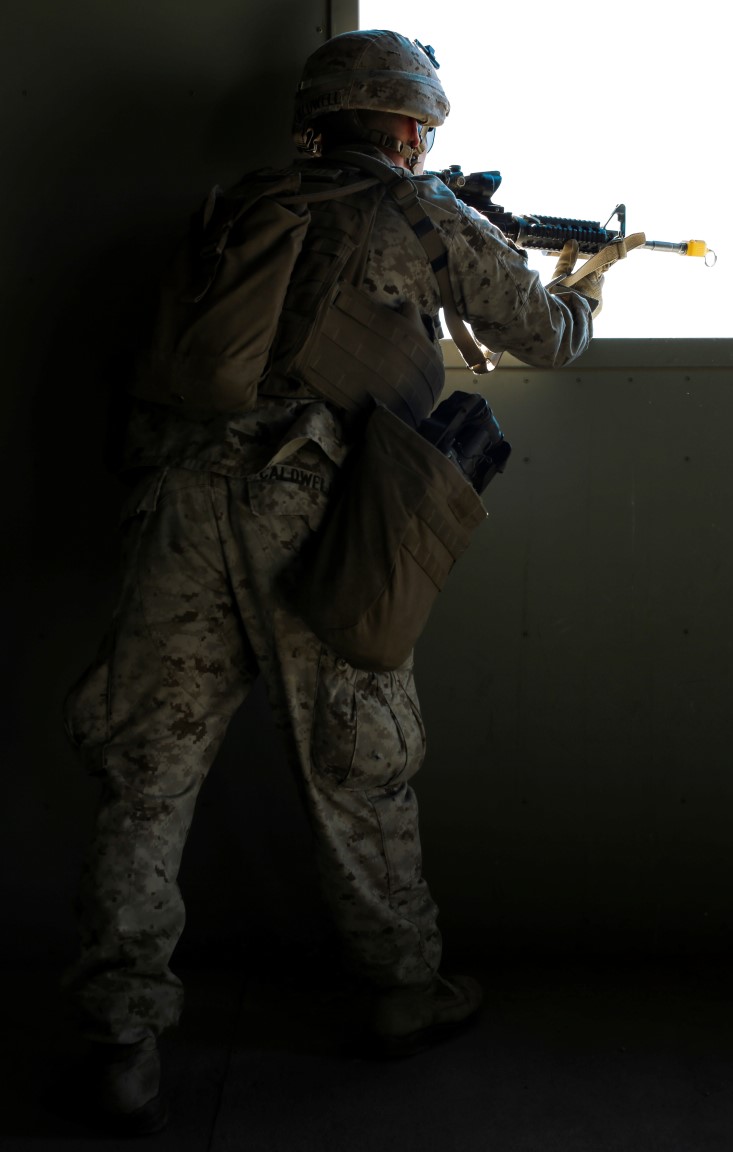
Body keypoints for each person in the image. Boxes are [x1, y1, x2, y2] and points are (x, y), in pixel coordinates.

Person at [61, 28, 605, 1136]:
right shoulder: (423, 212)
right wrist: (583, 288)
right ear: (410, 125)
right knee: (361, 761)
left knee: (146, 777)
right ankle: (404, 990)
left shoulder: (241, 206)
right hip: (314, 510)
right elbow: (548, 338)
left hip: (176, 504)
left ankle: (121, 1037)